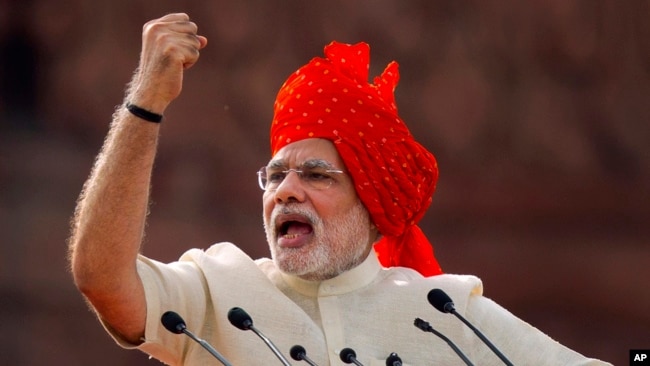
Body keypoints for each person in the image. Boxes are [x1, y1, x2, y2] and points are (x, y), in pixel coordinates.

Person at [68, 13, 611, 366]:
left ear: (371, 203)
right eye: (276, 175)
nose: (285, 190)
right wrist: (146, 103)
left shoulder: (445, 314)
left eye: (316, 174)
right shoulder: (217, 291)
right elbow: (102, 279)